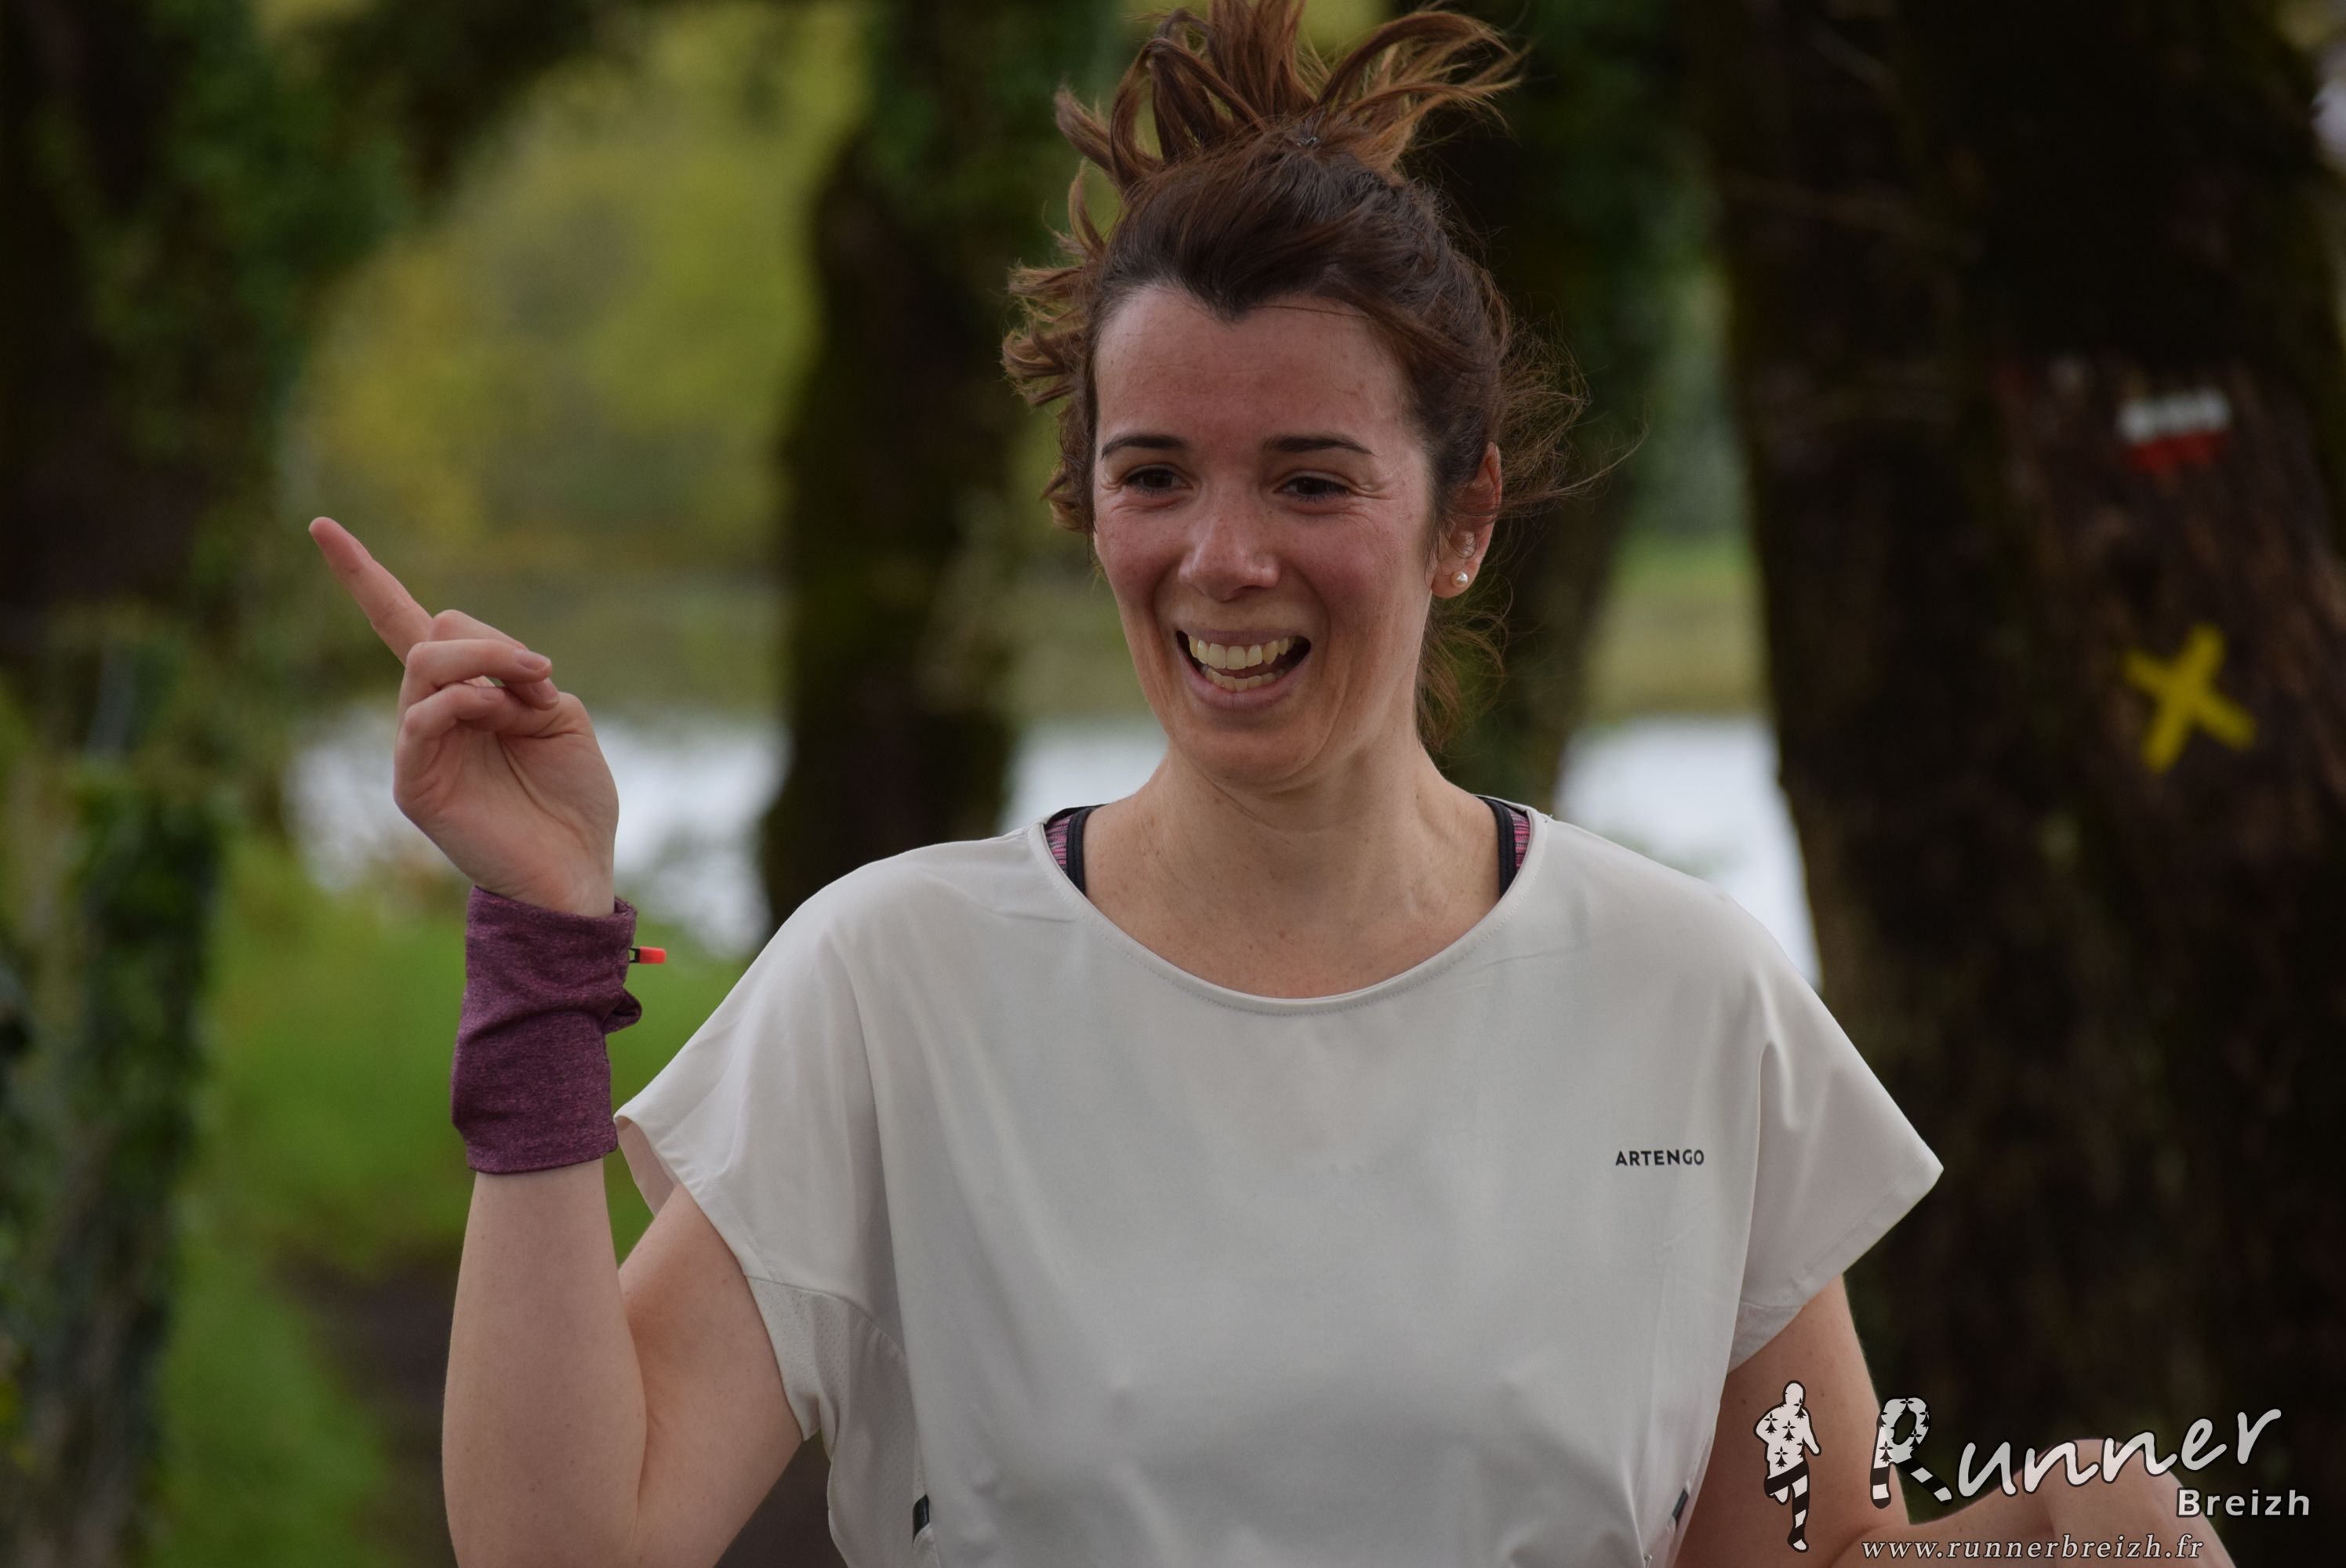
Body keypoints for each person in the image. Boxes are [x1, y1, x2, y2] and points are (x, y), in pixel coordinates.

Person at [310, 2, 2232, 1564]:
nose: (1221, 559)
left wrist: (2062, 1531)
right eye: (1152, 476)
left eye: (1310, 480)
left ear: (1460, 519)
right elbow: (564, 1543)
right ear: (1087, 506)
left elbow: (1796, 1553)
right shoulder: (892, 987)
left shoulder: (1685, 993)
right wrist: (544, 937)